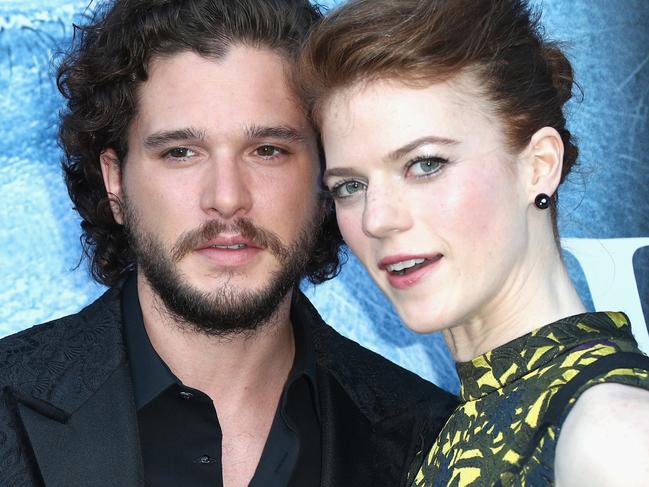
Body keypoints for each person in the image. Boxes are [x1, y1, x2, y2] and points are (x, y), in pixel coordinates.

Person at [0, 1, 458, 486]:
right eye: (180, 153)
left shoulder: (435, 447)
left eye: (267, 150)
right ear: (115, 182)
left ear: (326, 178)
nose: (226, 198)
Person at [297, 0, 649, 485]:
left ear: (539, 165)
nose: (377, 219)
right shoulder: (459, 430)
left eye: (425, 164)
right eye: (350, 186)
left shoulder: (612, 434)